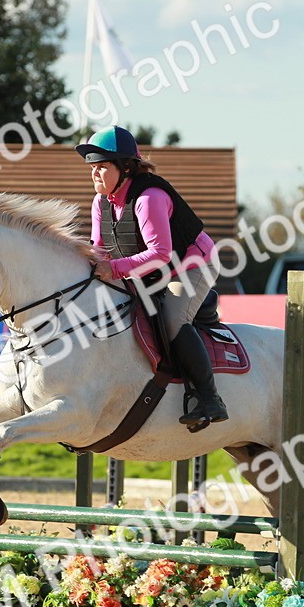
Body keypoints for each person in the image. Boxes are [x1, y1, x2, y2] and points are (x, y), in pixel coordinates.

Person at [75, 124, 229, 430]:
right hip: (148, 269)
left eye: (102, 167)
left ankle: (210, 399)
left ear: (126, 168)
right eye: (92, 167)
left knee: (173, 318)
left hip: (190, 266)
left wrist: (115, 269)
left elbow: (160, 253)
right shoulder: (100, 202)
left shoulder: (149, 198)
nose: (95, 173)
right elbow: (100, 250)